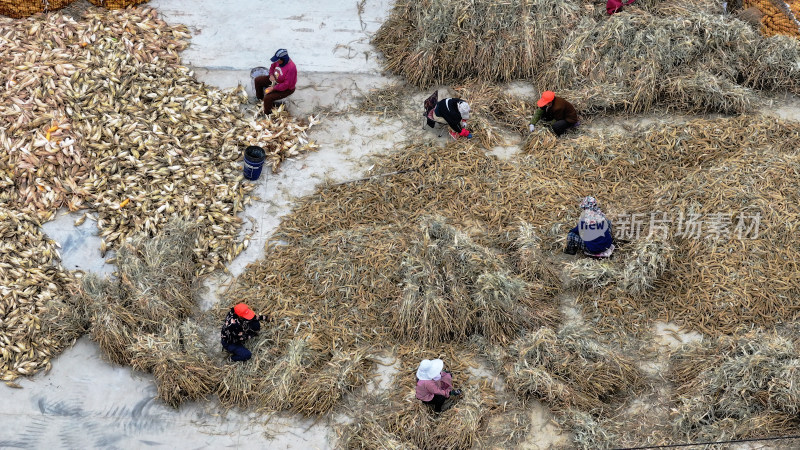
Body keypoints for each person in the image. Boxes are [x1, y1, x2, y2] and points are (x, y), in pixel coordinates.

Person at [254, 48, 297, 114]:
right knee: (257, 80)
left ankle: (267, 113)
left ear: (283, 60)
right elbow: (272, 67)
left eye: (278, 60)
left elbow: (286, 85)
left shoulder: (291, 68)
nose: (276, 61)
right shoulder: (278, 62)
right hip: (275, 80)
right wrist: (271, 75)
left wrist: (273, 88)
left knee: (268, 98)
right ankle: (260, 99)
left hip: (286, 89)